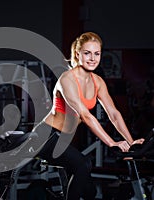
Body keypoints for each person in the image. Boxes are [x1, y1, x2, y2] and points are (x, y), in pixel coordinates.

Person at [32, 31, 145, 200]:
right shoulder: (67, 79)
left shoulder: (97, 81)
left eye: (96, 54)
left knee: (89, 192)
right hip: (46, 136)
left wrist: (131, 143)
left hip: (63, 140)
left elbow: (113, 113)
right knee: (83, 164)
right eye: (87, 53)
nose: (92, 58)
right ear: (77, 54)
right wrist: (112, 143)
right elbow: (85, 115)